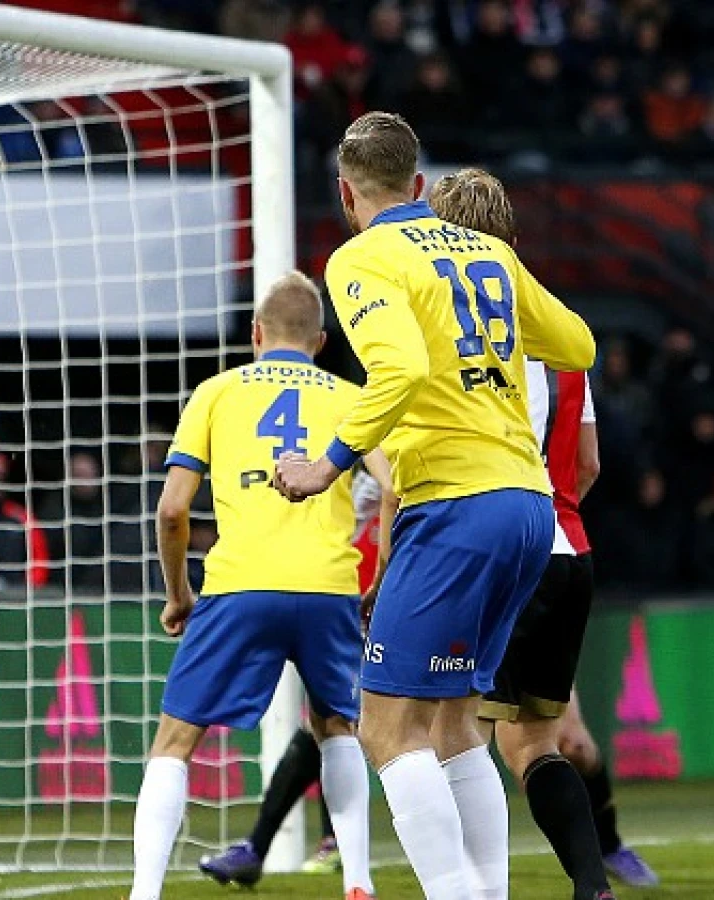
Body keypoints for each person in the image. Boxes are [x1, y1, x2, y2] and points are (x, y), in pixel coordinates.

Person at [272, 112, 595, 900]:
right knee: (455, 729)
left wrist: (328, 463)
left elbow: (400, 371)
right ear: (419, 185)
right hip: (528, 508)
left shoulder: (360, 258)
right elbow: (579, 344)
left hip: (455, 503)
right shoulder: (488, 251)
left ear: (348, 194)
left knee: (385, 728)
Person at [430, 166, 658, 894]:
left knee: (445, 731)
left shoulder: (445, 327)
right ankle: (591, 885)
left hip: (490, 546)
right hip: (566, 550)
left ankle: (468, 886)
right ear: (514, 238)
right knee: (533, 742)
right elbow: (586, 463)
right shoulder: (558, 333)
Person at [130, 272, 387, 900]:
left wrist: (177, 594)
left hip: (239, 585)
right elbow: (397, 490)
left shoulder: (216, 392)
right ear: (321, 340)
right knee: (337, 728)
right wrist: (377, 578)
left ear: (255, 334)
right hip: (328, 587)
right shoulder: (350, 398)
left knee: (175, 739)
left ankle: (143, 893)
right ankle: (358, 883)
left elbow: (171, 510)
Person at [197, 468, 395, 886]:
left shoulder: (385, 460)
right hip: (347, 606)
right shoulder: (356, 473)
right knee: (329, 725)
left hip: (385, 607)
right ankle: (292, 847)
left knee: (341, 726)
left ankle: (292, 848)